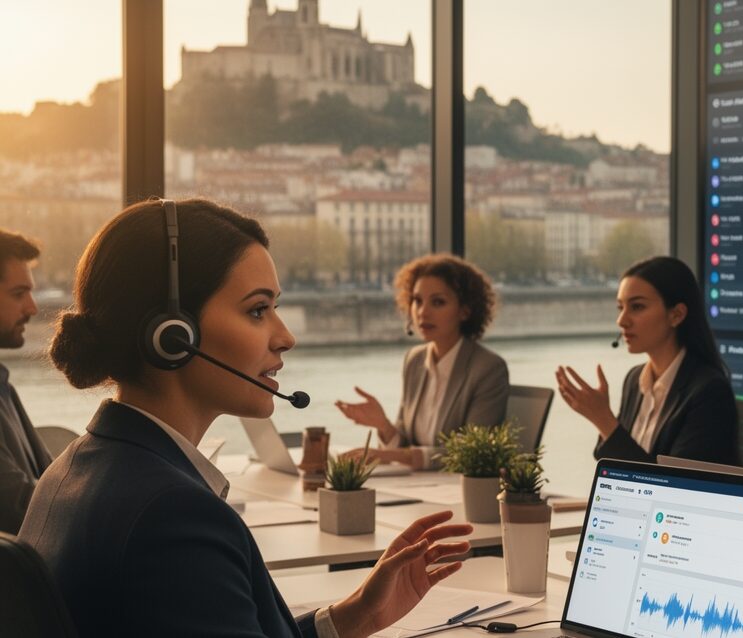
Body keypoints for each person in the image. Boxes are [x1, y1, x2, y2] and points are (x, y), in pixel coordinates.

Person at [18, 198, 472, 637]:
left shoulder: (70, 470)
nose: (285, 336)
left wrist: (355, 617)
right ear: (173, 335)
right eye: (258, 309)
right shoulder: (173, 516)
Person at [555, 256, 738, 465]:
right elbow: (614, 462)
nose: (621, 320)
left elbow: (673, 487)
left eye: (637, 307)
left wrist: (603, 419)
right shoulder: (635, 379)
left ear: (676, 315)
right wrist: (603, 420)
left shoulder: (709, 392)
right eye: (620, 307)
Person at [335, 254, 509, 469]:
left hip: (457, 492)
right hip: (419, 489)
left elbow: (473, 453)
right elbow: (407, 444)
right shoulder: (414, 360)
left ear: (465, 311)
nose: (422, 312)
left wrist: (387, 456)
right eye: (417, 300)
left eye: (438, 302)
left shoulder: (487, 368)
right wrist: (383, 425)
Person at [0, 229, 50, 534]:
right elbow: (16, 507)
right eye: (19, 294)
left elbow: (49, 478)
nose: (32, 307)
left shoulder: (4, 386)